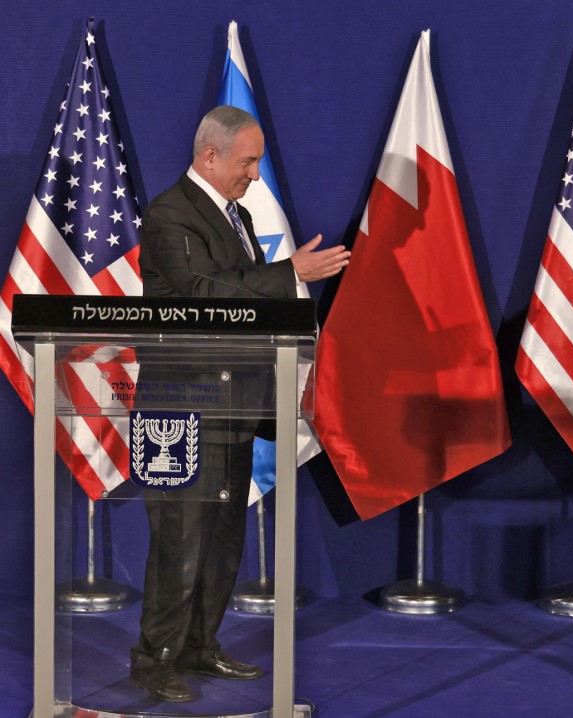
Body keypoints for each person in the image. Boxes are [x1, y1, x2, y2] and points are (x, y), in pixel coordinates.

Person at [130, 105, 350, 703]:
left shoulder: (237, 215)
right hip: (179, 407)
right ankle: (155, 659)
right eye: (247, 161)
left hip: (231, 402)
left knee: (224, 534)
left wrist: (286, 288)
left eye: (255, 162)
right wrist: (290, 272)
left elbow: (244, 302)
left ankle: (201, 644)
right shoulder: (169, 213)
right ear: (210, 156)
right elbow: (200, 294)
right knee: (179, 537)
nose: (254, 175)